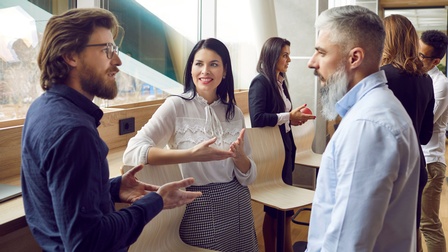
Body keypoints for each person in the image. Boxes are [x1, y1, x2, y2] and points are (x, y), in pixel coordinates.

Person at [21, 8, 202, 252]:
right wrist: (155, 202)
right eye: (107, 50)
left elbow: (63, 198)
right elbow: (88, 242)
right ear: (71, 56)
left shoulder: (42, 108)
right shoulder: (75, 133)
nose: (117, 61)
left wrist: (112, 188)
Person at [123, 38, 258, 252]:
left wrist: (240, 157)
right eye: (199, 64)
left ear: (224, 72)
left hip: (237, 201)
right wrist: (190, 154)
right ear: (191, 69)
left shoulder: (234, 112)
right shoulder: (176, 105)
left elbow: (249, 176)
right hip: (197, 203)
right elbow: (133, 150)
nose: (205, 71)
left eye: (214, 64)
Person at [306, 5, 420, 251]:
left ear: (354, 57)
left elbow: (347, 243)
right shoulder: (374, 111)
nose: (312, 63)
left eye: (321, 52)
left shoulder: (367, 127)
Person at [248, 36, 315, 252]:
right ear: (272, 56)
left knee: (282, 211)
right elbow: (258, 118)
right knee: (276, 210)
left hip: (286, 148)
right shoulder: (260, 82)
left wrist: (294, 118)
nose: (289, 59)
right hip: (272, 154)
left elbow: (282, 116)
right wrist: (288, 116)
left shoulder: (281, 81)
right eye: (285, 55)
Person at [380, 15, 435, 251]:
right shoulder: (426, 80)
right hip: (416, 166)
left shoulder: (380, 77)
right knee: (409, 235)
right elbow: (424, 136)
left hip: (386, 167)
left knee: (381, 237)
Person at [419, 29, 448, 252]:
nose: (416, 58)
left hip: (431, 161)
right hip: (418, 159)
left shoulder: (441, 84)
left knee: (428, 224)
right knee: (412, 222)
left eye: (422, 56)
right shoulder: (421, 77)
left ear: (435, 61)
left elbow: (424, 121)